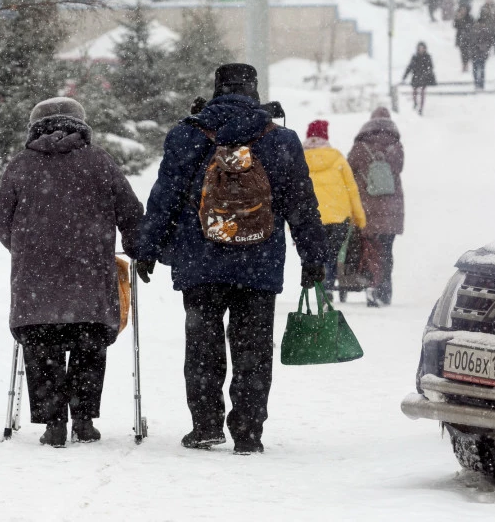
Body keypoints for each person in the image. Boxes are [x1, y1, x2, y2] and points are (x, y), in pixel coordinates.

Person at [136, 63, 327, 455]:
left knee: (203, 345)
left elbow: (165, 198)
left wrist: (148, 249)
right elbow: (301, 205)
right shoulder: (281, 140)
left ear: (217, 90)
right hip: (258, 263)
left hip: (201, 260)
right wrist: (313, 256)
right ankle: (248, 431)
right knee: (254, 349)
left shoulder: (187, 135)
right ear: (254, 92)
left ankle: (206, 426)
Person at [0, 97, 144, 448]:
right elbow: (131, 211)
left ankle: (54, 423)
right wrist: (136, 247)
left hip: (36, 285)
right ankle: (84, 421)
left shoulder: (22, 164)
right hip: (89, 279)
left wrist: (25, 250)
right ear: (81, 124)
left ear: (34, 126)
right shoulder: (100, 161)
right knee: (89, 343)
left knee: (41, 345)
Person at [303, 119, 367, 301]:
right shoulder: (337, 158)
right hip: (339, 216)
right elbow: (352, 189)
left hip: (311, 217)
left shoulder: (299, 158)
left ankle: (320, 286)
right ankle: (328, 285)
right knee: (331, 254)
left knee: (316, 254)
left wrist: (294, 224)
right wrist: (359, 218)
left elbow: (294, 192)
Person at [348, 107, 404, 308]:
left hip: (367, 208)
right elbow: (398, 168)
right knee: (387, 250)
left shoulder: (360, 147)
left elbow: (349, 169)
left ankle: (372, 285)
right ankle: (385, 291)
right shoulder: (396, 146)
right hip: (391, 209)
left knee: (371, 249)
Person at [401, 42, 436, 116]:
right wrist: (405, 76)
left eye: (422, 48)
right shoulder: (415, 57)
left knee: (422, 92)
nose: (421, 49)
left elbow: (430, 67)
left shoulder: (427, 57)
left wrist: (427, 74)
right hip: (416, 76)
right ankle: (415, 103)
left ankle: (421, 108)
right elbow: (410, 67)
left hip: (424, 77)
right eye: (420, 48)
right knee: (414, 91)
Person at [469, 20, 495, 90]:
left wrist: (484, 47)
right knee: (477, 69)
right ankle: (478, 83)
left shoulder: (485, 32)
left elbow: (490, 42)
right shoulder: (474, 32)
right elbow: (470, 42)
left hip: (481, 54)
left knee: (480, 69)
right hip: (477, 53)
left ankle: (480, 83)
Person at [453, 5, 474, 73]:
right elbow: (455, 26)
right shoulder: (458, 17)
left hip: (469, 37)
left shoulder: (470, 17)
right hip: (460, 37)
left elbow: (472, 25)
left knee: (468, 52)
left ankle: (466, 64)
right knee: (462, 52)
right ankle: (464, 65)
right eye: (462, 9)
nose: (463, 11)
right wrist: (458, 19)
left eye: (464, 9)